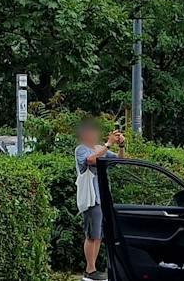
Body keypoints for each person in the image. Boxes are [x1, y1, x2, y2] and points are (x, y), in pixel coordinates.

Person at [75, 120, 126, 281]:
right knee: (92, 233)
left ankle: (94, 267)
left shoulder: (100, 148)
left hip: (103, 196)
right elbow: (90, 160)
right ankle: (90, 269)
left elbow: (119, 161)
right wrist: (109, 144)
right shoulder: (81, 149)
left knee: (99, 234)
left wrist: (121, 146)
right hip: (91, 197)